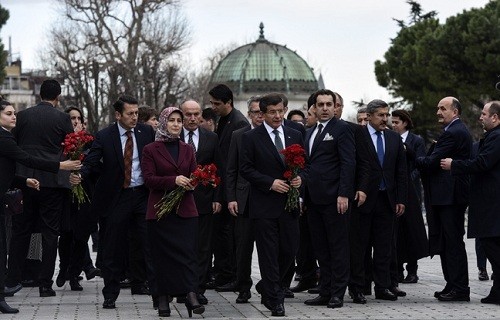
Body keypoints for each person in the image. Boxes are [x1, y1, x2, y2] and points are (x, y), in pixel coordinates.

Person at [72, 95, 156, 309]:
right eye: (130, 113)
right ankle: (110, 293)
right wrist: (80, 174)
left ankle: (153, 289)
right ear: (118, 115)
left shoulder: (146, 132)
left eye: (137, 113)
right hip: (117, 197)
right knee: (112, 246)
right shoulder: (105, 136)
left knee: (148, 243)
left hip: (142, 195)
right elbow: (91, 161)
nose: (135, 117)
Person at [0, 100, 80, 313]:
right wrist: (60, 166)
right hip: (51, 183)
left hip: (25, 180)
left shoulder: (21, 119)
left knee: (19, 232)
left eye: (13, 113)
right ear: (57, 98)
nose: (13, 116)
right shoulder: (60, 118)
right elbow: (26, 156)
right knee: (50, 232)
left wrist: (24, 180)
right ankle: (44, 283)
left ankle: (12, 281)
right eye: (9, 113)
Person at [240, 93, 304, 317]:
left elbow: (305, 165)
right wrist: (269, 183)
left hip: (290, 204)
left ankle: (268, 285)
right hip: (264, 204)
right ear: (263, 114)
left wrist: (300, 179)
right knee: (268, 252)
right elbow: (245, 169)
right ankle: (275, 298)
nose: (278, 116)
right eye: (272, 112)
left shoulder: (295, 134)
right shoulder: (250, 138)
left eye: (281, 111)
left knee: (290, 248)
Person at [141, 107, 205, 317]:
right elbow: (148, 179)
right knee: (162, 257)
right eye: (172, 120)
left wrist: (194, 182)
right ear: (163, 123)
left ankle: (190, 294)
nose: (177, 124)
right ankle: (162, 298)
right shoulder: (151, 149)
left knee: (188, 255)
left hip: (186, 210)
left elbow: (194, 173)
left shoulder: (187, 149)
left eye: (179, 120)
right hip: (160, 211)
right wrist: (173, 181)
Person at [440, 101, 500, 304]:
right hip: (488, 202)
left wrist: (454, 164)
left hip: (492, 203)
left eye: (484, 114)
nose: (480, 117)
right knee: (491, 245)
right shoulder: (492, 136)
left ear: (495, 117)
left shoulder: (498, 136)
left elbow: (483, 163)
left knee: (491, 245)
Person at [348, 99, 407, 302]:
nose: (385, 119)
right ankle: (358, 287)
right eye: (381, 115)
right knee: (359, 246)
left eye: (386, 115)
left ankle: (382, 286)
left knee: (384, 247)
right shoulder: (357, 135)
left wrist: (401, 198)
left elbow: (401, 171)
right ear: (370, 116)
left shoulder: (393, 138)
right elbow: (352, 166)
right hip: (363, 200)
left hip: (387, 199)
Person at [302, 89, 355, 309]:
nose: (324, 108)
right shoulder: (310, 131)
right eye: (320, 104)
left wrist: (344, 193)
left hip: (335, 199)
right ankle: (324, 290)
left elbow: (348, 163)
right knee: (320, 248)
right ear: (313, 107)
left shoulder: (342, 129)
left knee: (338, 247)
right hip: (313, 200)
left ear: (335, 107)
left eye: (328, 104)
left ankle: (337, 293)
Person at [416, 96, 472, 302]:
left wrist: (412, 154)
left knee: (452, 243)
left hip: (450, 197)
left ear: (455, 112)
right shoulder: (453, 132)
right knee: (448, 242)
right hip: (447, 196)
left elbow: (431, 162)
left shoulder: (454, 133)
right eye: (437, 108)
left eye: (443, 108)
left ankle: (459, 288)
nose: (438, 112)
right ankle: (453, 285)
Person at [179, 99, 221, 305]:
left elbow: (219, 168)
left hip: (204, 200)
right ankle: (181, 288)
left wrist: (217, 198)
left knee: (203, 247)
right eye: (189, 114)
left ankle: (198, 288)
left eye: (197, 114)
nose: (193, 118)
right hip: (176, 199)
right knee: (180, 245)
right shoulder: (172, 136)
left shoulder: (211, 138)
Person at [208, 84, 249, 290]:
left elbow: (235, 161)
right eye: (212, 103)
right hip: (222, 185)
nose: (213, 107)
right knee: (221, 234)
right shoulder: (224, 119)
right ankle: (224, 273)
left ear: (228, 103)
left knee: (230, 236)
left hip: (230, 188)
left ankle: (232, 276)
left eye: (217, 104)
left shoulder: (239, 123)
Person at [56, 107, 100, 291]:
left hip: (86, 193)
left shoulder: (91, 143)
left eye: (78, 118)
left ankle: (74, 274)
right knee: (66, 234)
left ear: (83, 122)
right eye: (71, 118)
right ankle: (63, 268)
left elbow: (97, 167)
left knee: (81, 236)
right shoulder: (60, 143)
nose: (75, 121)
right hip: (65, 194)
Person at [226, 96, 263, 303]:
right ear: (249, 114)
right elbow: (231, 169)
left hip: (268, 199)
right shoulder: (238, 136)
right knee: (243, 248)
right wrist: (231, 197)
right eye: (255, 112)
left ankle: (269, 284)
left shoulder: (274, 135)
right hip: (244, 199)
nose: (259, 115)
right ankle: (243, 287)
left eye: (261, 111)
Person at [391, 110, 428, 284]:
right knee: (396, 232)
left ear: (405, 123)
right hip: (395, 191)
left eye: (397, 122)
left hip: (411, 191)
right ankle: (397, 269)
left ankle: (412, 271)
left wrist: (407, 180)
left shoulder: (416, 140)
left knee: (412, 230)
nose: (393, 125)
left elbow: (421, 163)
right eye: (392, 122)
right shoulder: (390, 139)